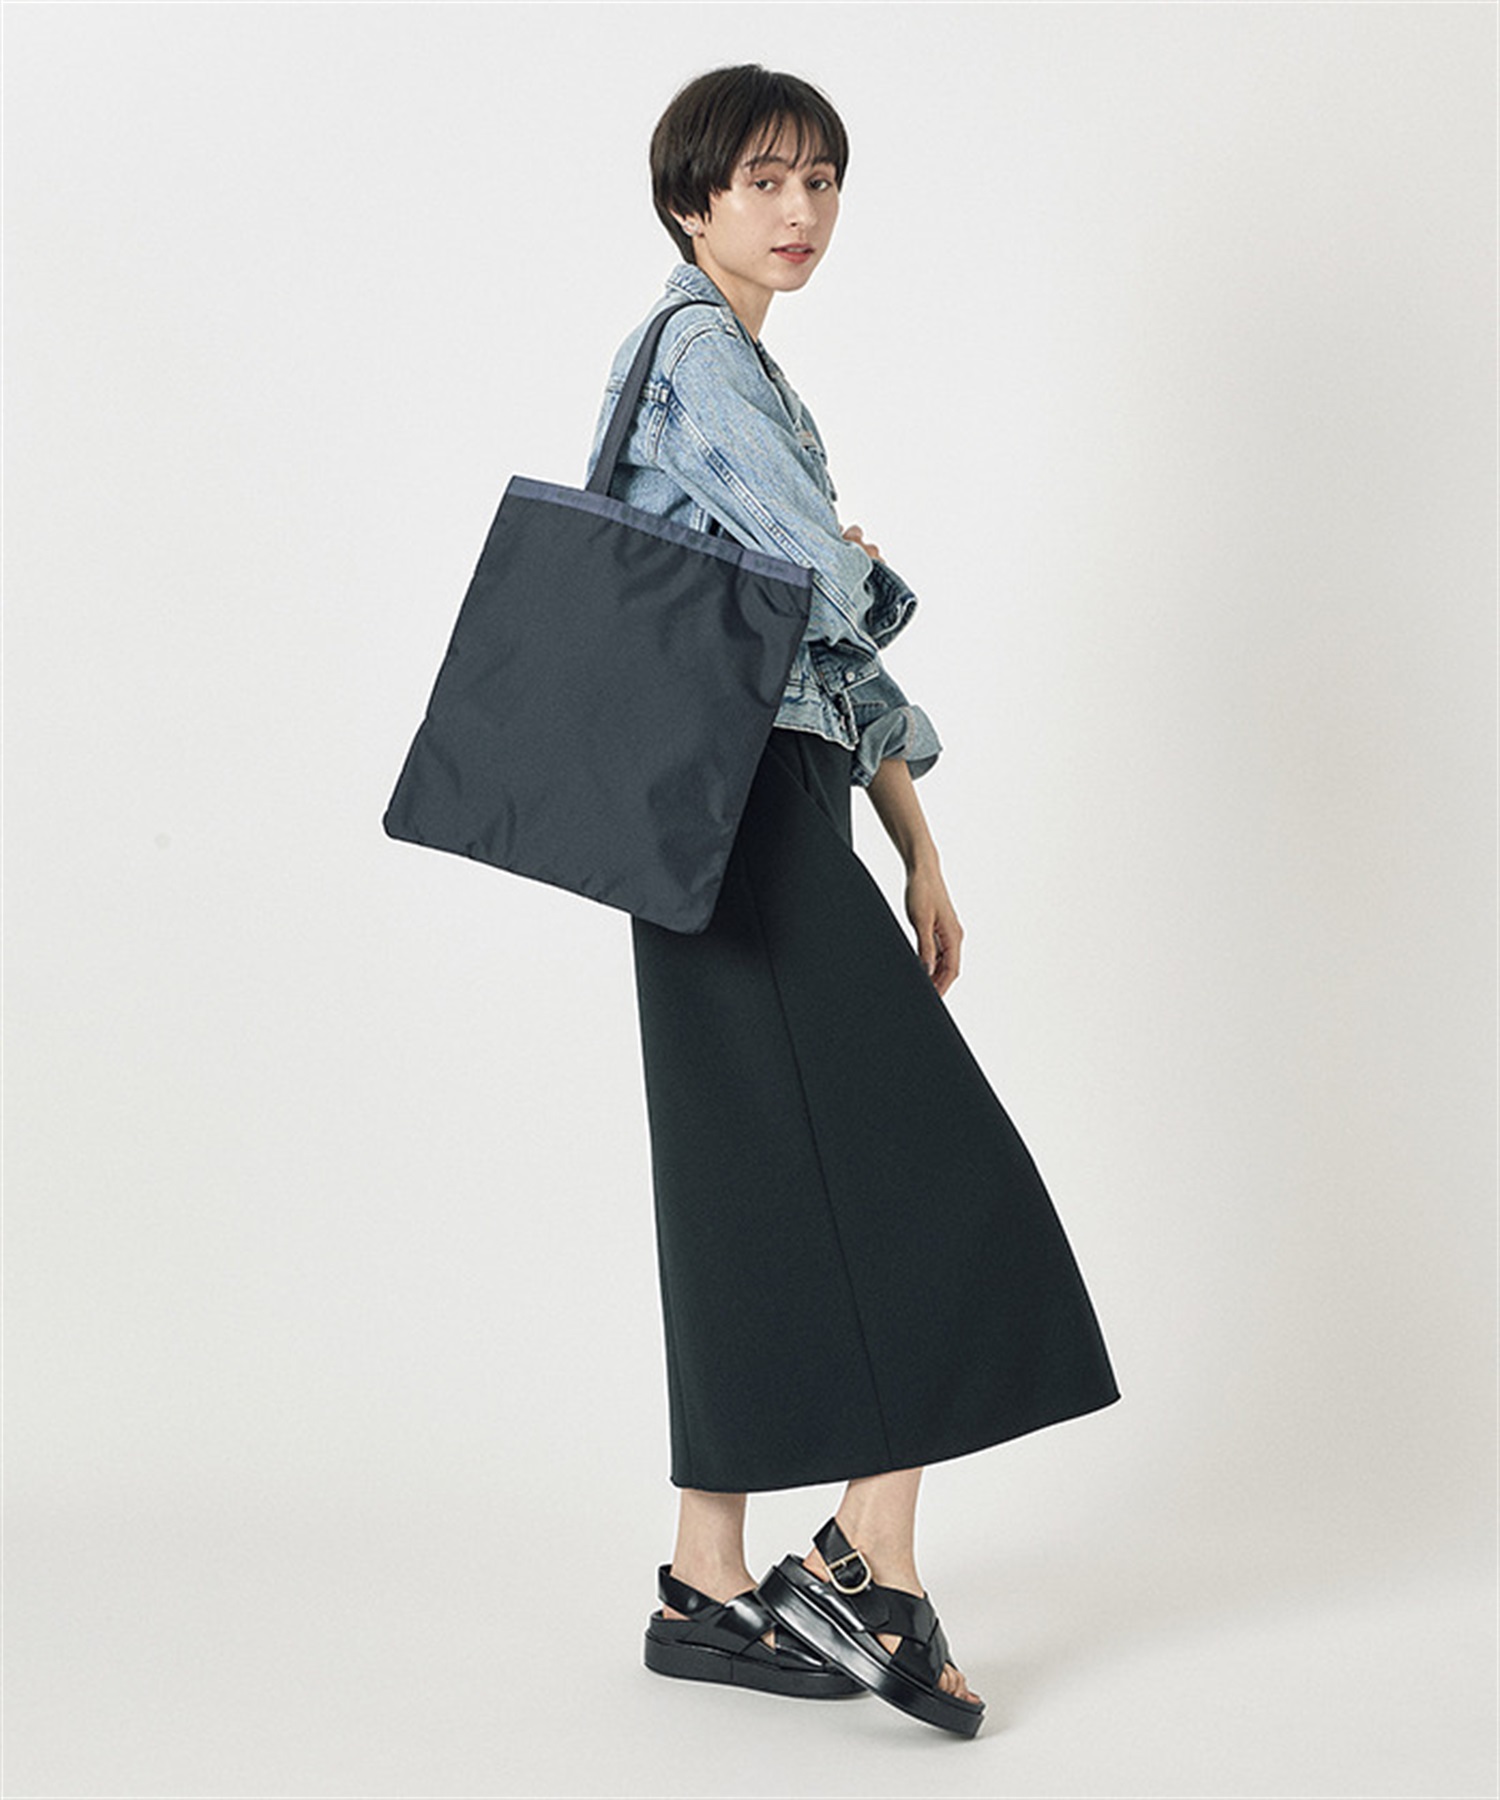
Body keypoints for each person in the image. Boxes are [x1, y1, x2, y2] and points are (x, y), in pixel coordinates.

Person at [583, 63, 1121, 1739]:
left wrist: (917, 840)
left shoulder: (745, 371)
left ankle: (706, 1579)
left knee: (748, 1189)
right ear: (693, 202)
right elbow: (827, 584)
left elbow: (818, 635)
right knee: (935, 1167)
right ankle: (867, 1559)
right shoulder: (697, 354)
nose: (800, 211)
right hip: (738, 808)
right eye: (763, 181)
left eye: (820, 181)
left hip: (755, 801)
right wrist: (854, 557)